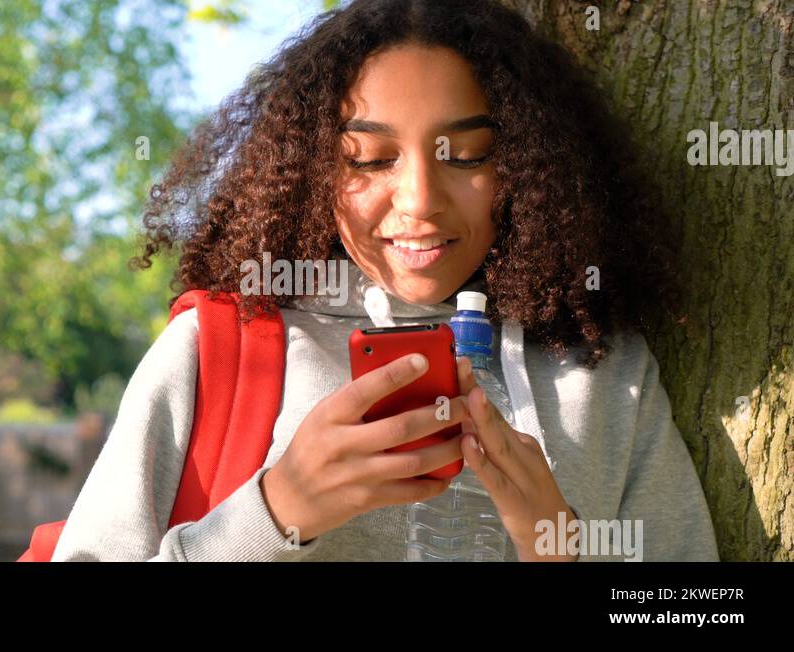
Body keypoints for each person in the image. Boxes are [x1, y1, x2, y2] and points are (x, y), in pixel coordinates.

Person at [50, 0, 719, 562]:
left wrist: (560, 549)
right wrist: (274, 512)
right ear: (314, 171)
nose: (420, 199)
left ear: (523, 164)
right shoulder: (217, 351)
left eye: (466, 155)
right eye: (368, 159)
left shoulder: (605, 371)